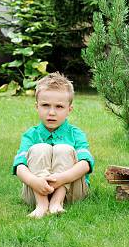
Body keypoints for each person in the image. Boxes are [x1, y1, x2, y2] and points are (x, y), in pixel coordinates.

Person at [12, 72, 94, 218]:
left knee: (63, 149)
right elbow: (19, 167)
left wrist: (61, 179)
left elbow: (85, 164)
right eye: (45, 105)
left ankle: (57, 202)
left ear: (69, 109)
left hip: (71, 192)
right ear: (36, 106)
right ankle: (41, 204)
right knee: (39, 149)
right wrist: (35, 181)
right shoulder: (30, 135)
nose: (51, 112)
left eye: (59, 107)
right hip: (35, 190)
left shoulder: (76, 134)